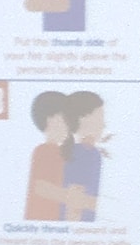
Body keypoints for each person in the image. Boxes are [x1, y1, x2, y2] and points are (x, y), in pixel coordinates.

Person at [58, 90, 107, 221]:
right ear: (83, 120)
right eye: (100, 118)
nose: (104, 125)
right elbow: (74, 204)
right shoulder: (87, 154)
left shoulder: (91, 153)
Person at [23, 90, 69, 220]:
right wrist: (70, 197)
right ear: (50, 120)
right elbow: (41, 187)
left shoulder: (61, 153)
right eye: (65, 119)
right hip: (41, 218)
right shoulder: (44, 151)